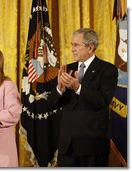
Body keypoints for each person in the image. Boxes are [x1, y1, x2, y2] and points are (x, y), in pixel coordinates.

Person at [47, 28, 118, 167]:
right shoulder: (67, 68)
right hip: (67, 145)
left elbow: (103, 101)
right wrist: (60, 88)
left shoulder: (108, 70)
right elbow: (51, 104)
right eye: (72, 45)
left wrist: (78, 87)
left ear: (90, 47)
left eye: (76, 45)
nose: (72, 49)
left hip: (92, 145)